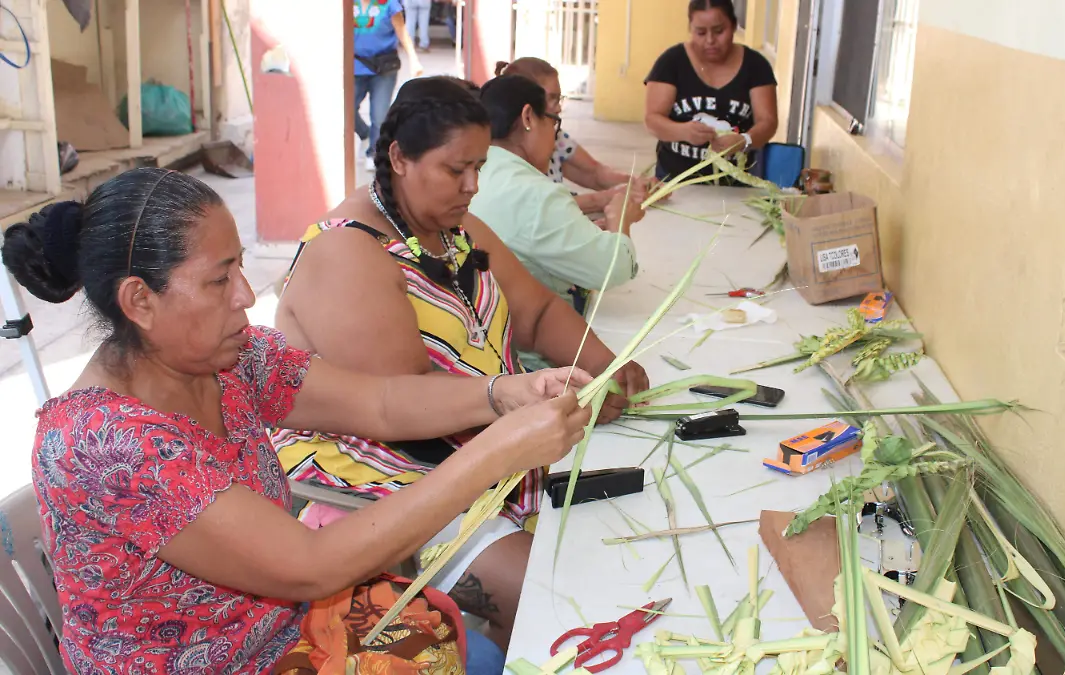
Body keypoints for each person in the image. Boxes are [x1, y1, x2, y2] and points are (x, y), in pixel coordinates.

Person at [0, 167, 591, 672]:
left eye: (238, 268)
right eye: (218, 279)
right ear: (139, 301)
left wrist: (502, 394)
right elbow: (311, 567)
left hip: (276, 638)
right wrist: (498, 451)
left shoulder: (225, 360)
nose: (245, 294)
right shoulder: (106, 443)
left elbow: (379, 403)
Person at [272, 77, 649, 649]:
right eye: (456, 170)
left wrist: (605, 366)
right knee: (551, 597)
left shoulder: (453, 228)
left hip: (487, 448)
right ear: (399, 157)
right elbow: (399, 407)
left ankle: (496, 647)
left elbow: (539, 311)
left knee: (610, 556)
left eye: (481, 168)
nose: (473, 186)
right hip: (385, 479)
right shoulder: (348, 252)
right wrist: (511, 400)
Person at [472, 75, 644, 371]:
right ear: (529, 117)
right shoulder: (533, 191)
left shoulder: (476, 169)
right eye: (553, 123)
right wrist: (620, 221)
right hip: (527, 363)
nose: (554, 139)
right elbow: (610, 269)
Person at [495, 58, 659, 216]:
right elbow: (544, 207)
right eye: (552, 99)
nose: (558, 108)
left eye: (559, 99)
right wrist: (605, 198)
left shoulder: (555, 138)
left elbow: (594, 173)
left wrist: (635, 183)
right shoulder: (506, 152)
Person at [644, 0, 779, 182]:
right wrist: (683, 131)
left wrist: (744, 140)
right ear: (690, 29)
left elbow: (768, 122)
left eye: (719, 31)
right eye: (700, 32)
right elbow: (652, 119)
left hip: (738, 186)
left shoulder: (756, 66)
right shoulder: (671, 63)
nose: (710, 41)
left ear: (733, 26)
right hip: (675, 183)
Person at [354, 0, 423, 172]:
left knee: (379, 114)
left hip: (383, 67)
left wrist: (413, 59)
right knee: (347, 109)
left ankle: (373, 153)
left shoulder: (390, 4)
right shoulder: (348, 4)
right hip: (355, 66)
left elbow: (401, 31)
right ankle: (365, 134)